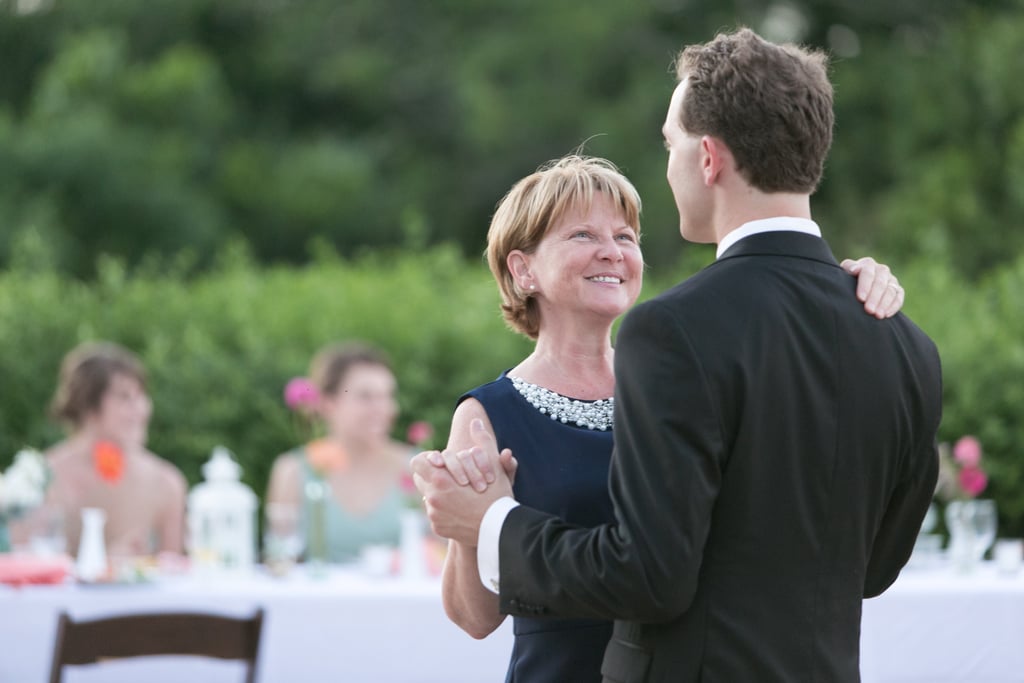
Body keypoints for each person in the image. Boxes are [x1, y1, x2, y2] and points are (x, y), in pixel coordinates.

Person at [418, 139, 919, 682]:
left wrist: (844, 292)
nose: (612, 251)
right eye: (583, 235)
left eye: (625, 237)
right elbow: (473, 619)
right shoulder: (486, 414)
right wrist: (474, 525)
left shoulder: (680, 371)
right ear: (523, 270)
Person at [12, 341, 187, 558]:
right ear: (88, 406)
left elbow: (175, 578)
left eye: (141, 396)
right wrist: (103, 565)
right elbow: (21, 566)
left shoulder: (165, 483)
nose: (141, 409)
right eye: (125, 397)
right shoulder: (37, 480)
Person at [266, 342, 415, 563]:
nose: (384, 408)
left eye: (387, 396)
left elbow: (441, 555)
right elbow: (279, 559)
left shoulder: (415, 467)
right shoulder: (294, 471)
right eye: (366, 396)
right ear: (328, 403)